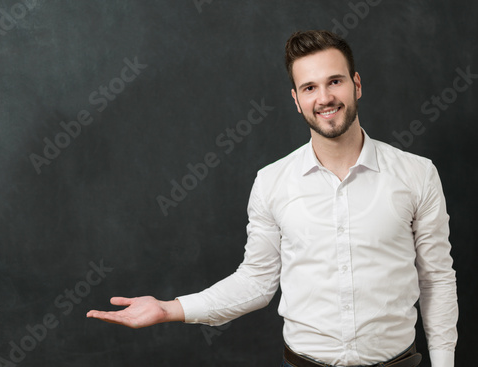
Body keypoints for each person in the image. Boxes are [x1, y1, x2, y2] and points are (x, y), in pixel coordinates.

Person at [87, 30, 458, 367]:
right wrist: (169, 309)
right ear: (296, 100)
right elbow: (255, 282)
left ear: (356, 84)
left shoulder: (416, 174)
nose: (325, 97)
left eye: (335, 81)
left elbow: (436, 280)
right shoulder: (271, 182)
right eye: (310, 88)